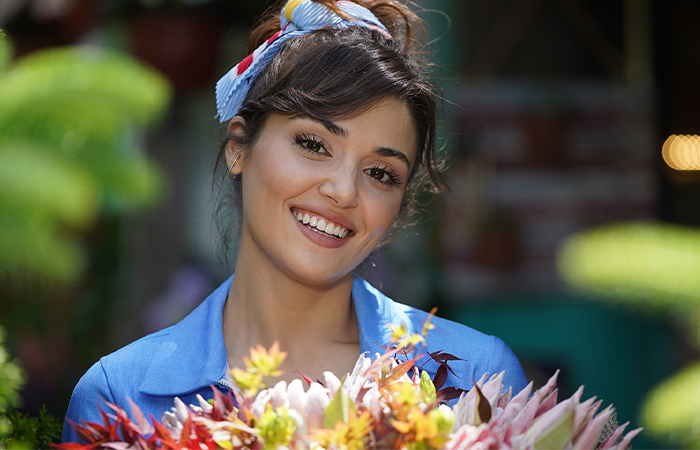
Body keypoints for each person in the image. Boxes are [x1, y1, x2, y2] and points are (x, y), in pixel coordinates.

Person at [62, 0, 527, 443]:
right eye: (313, 144)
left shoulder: (475, 375)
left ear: (402, 207)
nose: (343, 191)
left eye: (381, 174)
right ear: (238, 146)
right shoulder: (120, 397)